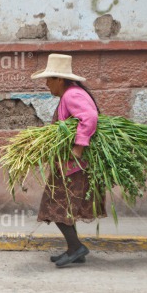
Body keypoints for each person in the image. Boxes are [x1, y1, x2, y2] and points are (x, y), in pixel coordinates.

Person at [31, 54, 107, 268]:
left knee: (54, 205)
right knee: (64, 206)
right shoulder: (71, 94)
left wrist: (77, 148)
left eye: (49, 79)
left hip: (73, 165)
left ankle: (76, 248)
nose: (46, 84)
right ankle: (75, 249)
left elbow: (90, 117)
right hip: (70, 164)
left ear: (60, 80)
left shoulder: (72, 94)